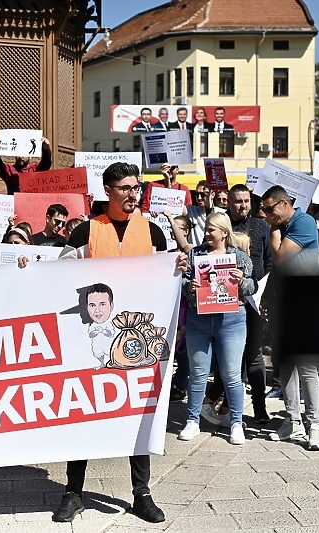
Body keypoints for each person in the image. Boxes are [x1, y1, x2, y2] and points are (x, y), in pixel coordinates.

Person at [39, 162, 185, 525]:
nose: (133, 194)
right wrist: (28, 265)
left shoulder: (153, 232)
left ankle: (142, 492)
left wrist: (178, 267)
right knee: (84, 414)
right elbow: (58, 278)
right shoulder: (86, 232)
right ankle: (74, 491)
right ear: (108, 190)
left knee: (138, 413)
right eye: (125, 188)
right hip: (91, 342)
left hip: (138, 341)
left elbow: (164, 282)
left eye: (136, 187)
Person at [178, 212, 256, 446]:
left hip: (231, 321)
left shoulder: (239, 257)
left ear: (224, 232)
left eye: (212, 229)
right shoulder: (196, 254)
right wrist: (189, 286)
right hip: (199, 321)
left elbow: (253, 286)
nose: (207, 233)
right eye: (207, 229)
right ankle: (193, 421)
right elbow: (182, 285)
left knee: (231, 374)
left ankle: (236, 422)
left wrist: (242, 281)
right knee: (198, 373)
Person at [260, 186, 319, 451]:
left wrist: (273, 229)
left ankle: (316, 426)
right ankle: (293, 419)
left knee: (307, 367)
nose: (266, 214)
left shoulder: (304, 222)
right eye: (264, 210)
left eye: (270, 209)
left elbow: (280, 257)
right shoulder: (283, 223)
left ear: (285, 204)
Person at [202, 184, 273, 423]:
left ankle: (260, 408)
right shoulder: (222, 224)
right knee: (227, 357)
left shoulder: (261, 226)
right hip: (223, 300)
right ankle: (225, 407)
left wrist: (264, 294)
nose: (242, 205)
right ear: (228, 203)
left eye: (246, 201)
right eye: (237, 201)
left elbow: (270, 263)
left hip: (253, 300)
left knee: (254, 356)